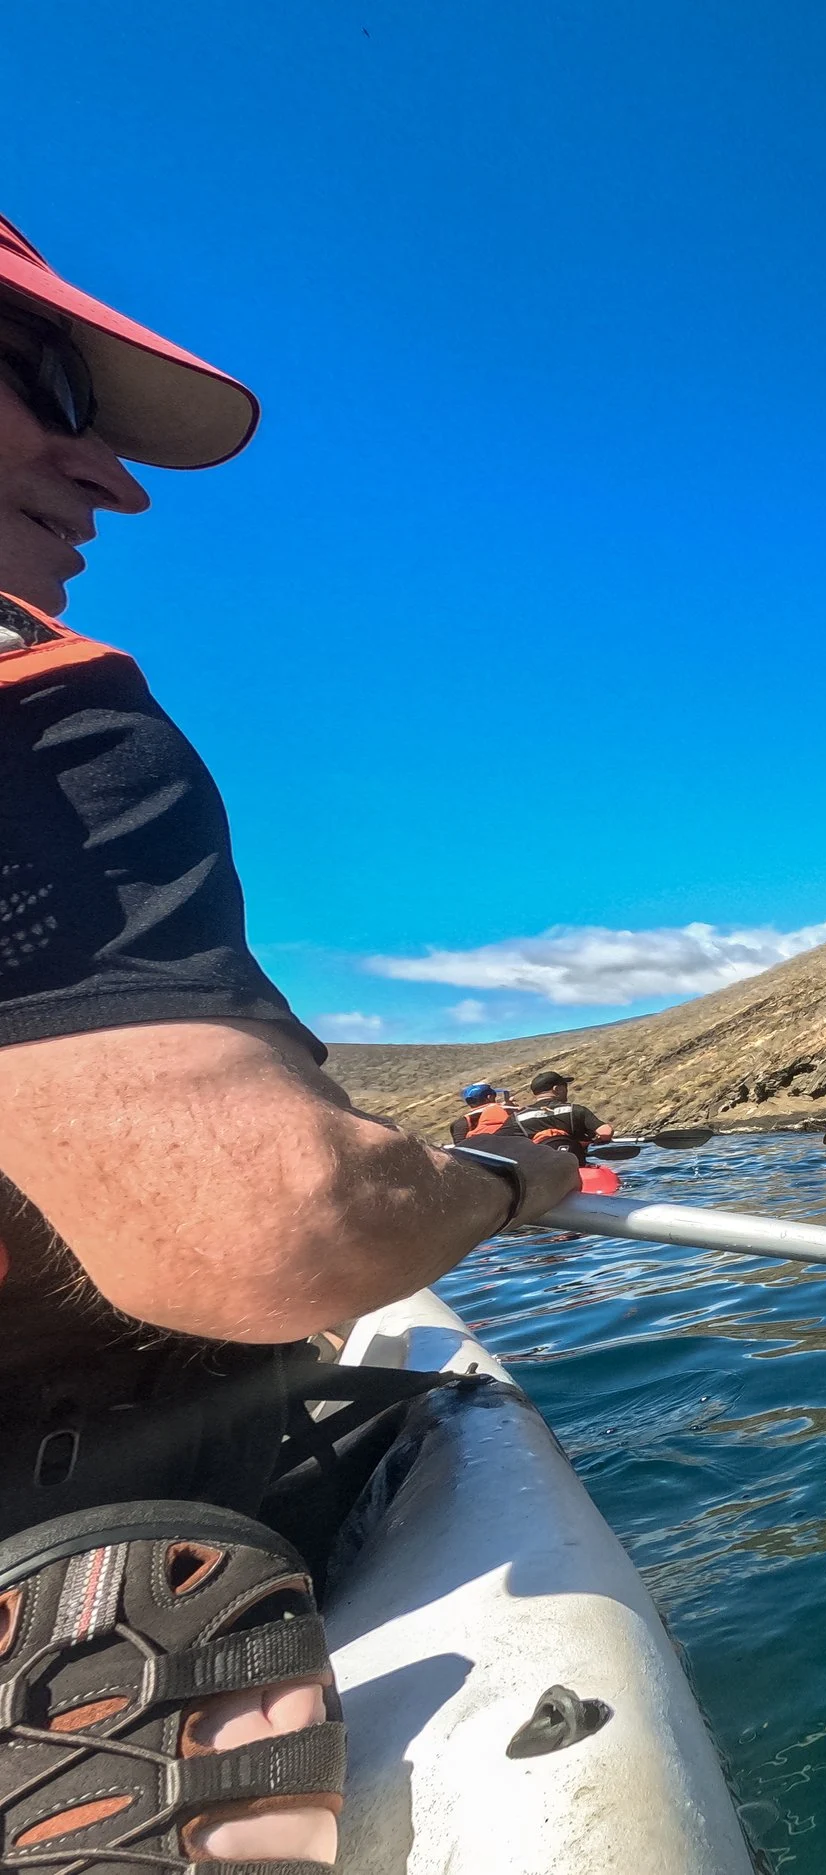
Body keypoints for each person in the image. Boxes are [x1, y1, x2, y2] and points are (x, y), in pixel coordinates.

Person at [0, 210, 580, 1869]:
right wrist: (505, 1190)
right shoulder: (39, 702)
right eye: (50, 385)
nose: (113, 483)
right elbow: (279, 1226)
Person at [514, 1070, 613, 1161]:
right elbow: (606, 1132)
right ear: (557, 1089)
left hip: (539, 1167)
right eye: (565, 1086)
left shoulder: (518, 1118)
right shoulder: (576, 1110)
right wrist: (595, 1141)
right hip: (575, 1163)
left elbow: (505, 1144)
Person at [447, 1079, 521, 1142]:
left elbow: (460, 1149)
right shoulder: (511, 1111)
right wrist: (511, 1108)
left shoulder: (460, 1123)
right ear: (489, 1097)